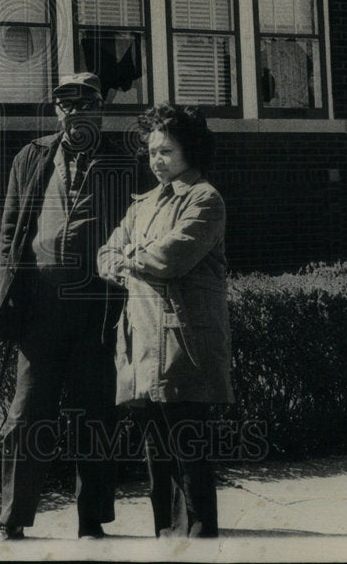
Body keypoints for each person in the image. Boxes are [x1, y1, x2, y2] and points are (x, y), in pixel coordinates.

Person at [0, 72, 126, 541]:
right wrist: (9, 294)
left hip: (98, 308)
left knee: (95, 414)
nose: (74, 112)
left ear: (100, 109)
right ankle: (12, 518)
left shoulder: (123, 160)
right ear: (56, 111)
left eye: (84, 102)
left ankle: (92, 521)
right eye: (65, 104)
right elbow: (10, 232)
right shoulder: (32, 156)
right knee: (26, 415)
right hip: (40, 309)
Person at [97, 103, 233, 539]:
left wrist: (130, 256)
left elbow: (170, 257)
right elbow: (106, 254)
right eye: (152, 152)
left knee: (189, 447)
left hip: (182, 342)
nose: (157, 161)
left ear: (190, 151)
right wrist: (127, 258)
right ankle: (167, 536)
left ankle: (198, 534)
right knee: (157, 451)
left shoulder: (205, 199)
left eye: (166, 152)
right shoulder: (144, 204)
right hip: (142, 342)